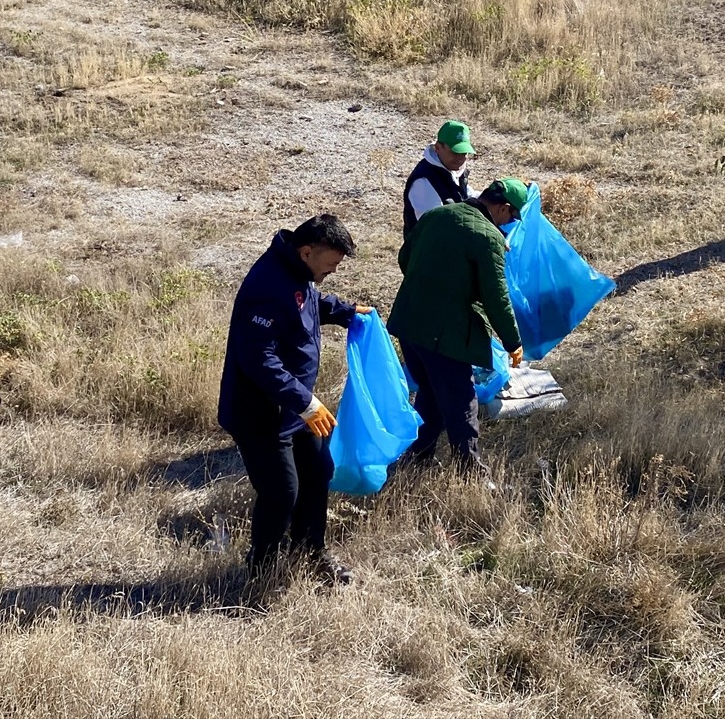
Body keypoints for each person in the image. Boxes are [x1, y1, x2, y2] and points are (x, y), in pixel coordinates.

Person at [217, 214, 370, 586]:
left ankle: (311, 553)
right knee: (282, 491)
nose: (333, 271)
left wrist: (347, 312)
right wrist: (306, 402)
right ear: (306, 251)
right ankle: (261, 570)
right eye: (331, 263)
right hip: (261, 413)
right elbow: (259, 359)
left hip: (296, 409)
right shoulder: (267, 285)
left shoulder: (299, 272)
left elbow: (310, 303)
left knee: (319, 471)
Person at [387, 178, 528, 477]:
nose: (508, 224)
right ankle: (471, 474)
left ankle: (417, 457)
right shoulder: (488, 237)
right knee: (462, 402)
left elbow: (405, 258)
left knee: (431, 392)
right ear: (502, 209)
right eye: (511, 217)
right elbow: (496, 297)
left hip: (410, 324)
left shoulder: (436, 215)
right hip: (444, 334)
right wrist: (513, 341)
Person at [402, 119, 479, 237]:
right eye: (455, 152)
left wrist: (492, 196)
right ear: (438, 148)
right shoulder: (423, 182)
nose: (460, 158)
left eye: (464, 153)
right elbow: (435, 226)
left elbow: (466, 196)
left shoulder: (453, 168)